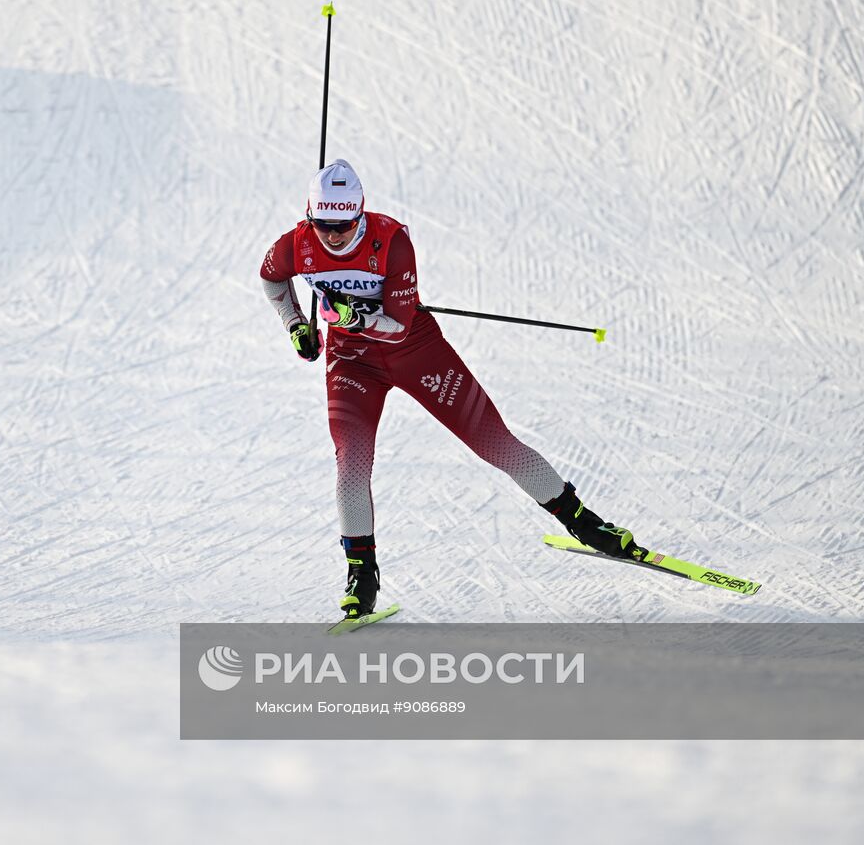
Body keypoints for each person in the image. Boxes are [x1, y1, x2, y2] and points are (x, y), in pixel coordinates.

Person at [259, 159, 637, 623]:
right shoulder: (296, 244)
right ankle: (362, 576)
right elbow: (271, 277)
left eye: (344, 226)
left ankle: (586, 524)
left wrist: (354, 317)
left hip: (415, 351)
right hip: (352, 362)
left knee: (494, 442)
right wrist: (296, 324)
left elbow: (397, 328)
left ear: (360, 214)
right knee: (351, 465)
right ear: (309, 216)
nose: (334, 236)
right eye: (324, 226)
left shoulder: (391, 241)